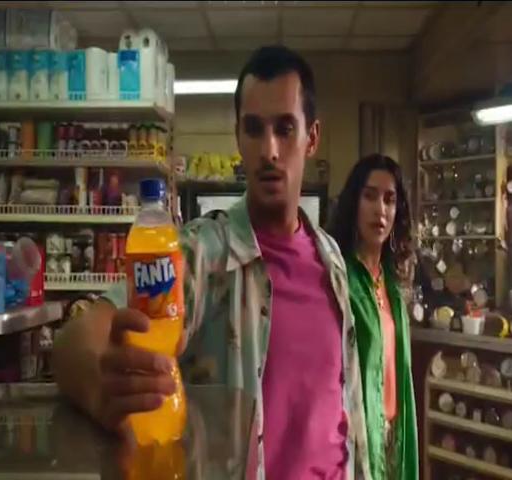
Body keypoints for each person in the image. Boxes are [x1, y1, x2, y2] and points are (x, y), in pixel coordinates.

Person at [52, 45, 372, 479]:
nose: (270, 150)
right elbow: (74, 340)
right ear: (238, 137)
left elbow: (345, 406)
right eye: (254, 129)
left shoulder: (332, 260)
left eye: (285, 129)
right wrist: (100, 388)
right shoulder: (200, 254)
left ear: (311, 138)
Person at [330, 154, 418, 480]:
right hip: (354, 439)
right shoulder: (339, 277)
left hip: (394, 435)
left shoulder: (393, 284)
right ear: (354, 203)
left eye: (389, 200)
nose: (380, 210)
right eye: (370, 196)